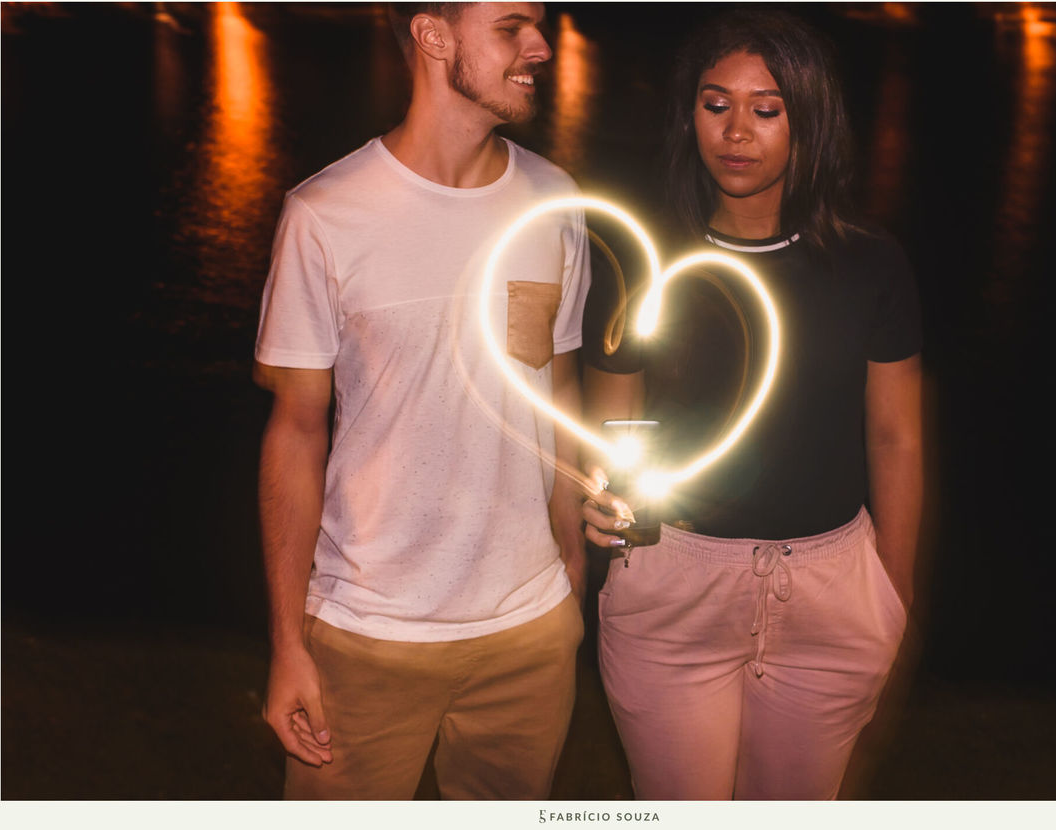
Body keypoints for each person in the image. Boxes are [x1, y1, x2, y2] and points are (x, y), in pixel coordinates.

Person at [254, 2, 593, 800]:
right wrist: (285, 645)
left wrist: (570, 562)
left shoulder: (556, 201)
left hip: (529, 634)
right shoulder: (325, 216)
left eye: (538, 25)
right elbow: (296, 432)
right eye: (512, 28)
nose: (541, 47)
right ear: (433, 35)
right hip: (367, 636)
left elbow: (559, 392)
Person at [582, 8, 923, 800]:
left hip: (833, 591)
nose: (736, 131)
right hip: (674, 584)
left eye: (766, 110)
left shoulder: (871, 264)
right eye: (715, 104)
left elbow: (896, 436)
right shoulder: (642, 257)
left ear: (810, 120)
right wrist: (597, 499)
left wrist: (890, 593)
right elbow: (608, 423)